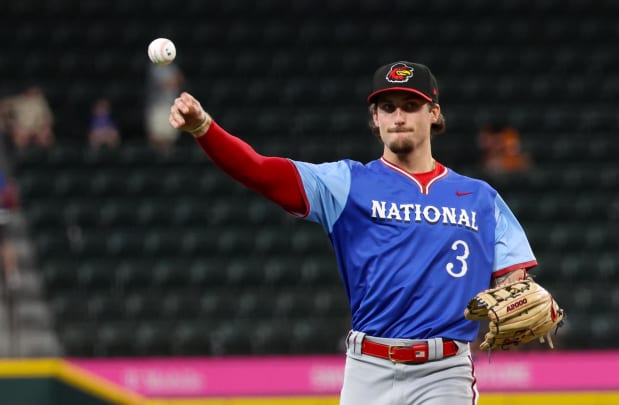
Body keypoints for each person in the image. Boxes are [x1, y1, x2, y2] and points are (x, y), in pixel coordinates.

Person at [169, 61, 538, 405]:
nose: (398, 116)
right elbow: (260, 171)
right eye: (388, 107)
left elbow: (511, 276)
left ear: (434, 114)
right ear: (375, 118)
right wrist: (204, 128)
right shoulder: (346, 183)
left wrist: (513, 288)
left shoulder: (479, 198)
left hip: (444, 372)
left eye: (411, 105)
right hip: (368, 368)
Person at [146, 63, 184, 153]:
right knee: (156, 137)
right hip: (157, 106)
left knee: (169, 138)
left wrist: (175, 81)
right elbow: (165, 84)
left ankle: (167, 159)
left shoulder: (172, 66)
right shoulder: (155, 68)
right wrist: (174, 81)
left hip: (170, 105)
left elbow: (181, 79)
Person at [4, 85, 55, 151]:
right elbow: (37, 95)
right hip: (17, 92)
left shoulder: (26, 132)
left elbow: (10, 124)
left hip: (10, 103)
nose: (47, 132)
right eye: (48, 135)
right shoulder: (47, 119)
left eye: (42, 139)